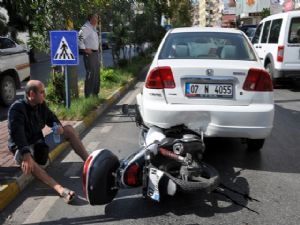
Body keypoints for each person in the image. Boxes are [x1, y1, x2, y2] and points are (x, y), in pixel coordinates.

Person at [7, 80, 89, 204]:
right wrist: (26, 154)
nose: (44, 95)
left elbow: (52, 118)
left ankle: (90, 162)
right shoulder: (17, 109)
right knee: (30, 162)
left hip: (39, 144)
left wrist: (58, 126)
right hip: (22, 147)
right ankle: (61, 190)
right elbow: (17, 134)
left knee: (69, 130)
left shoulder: (41, 105)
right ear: (31, 94)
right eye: (41, 92)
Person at [79, 13, 100, 97]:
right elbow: (79, 38)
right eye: (95, 19)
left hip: (95, 54)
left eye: (97, 19)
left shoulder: (93, 28)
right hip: (90, 54)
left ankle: (95, 94)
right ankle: (88, 95)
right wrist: (84, 48)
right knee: (91, 74)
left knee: (96, 74)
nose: (96, 21)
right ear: (90, 19)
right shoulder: (86, 27)